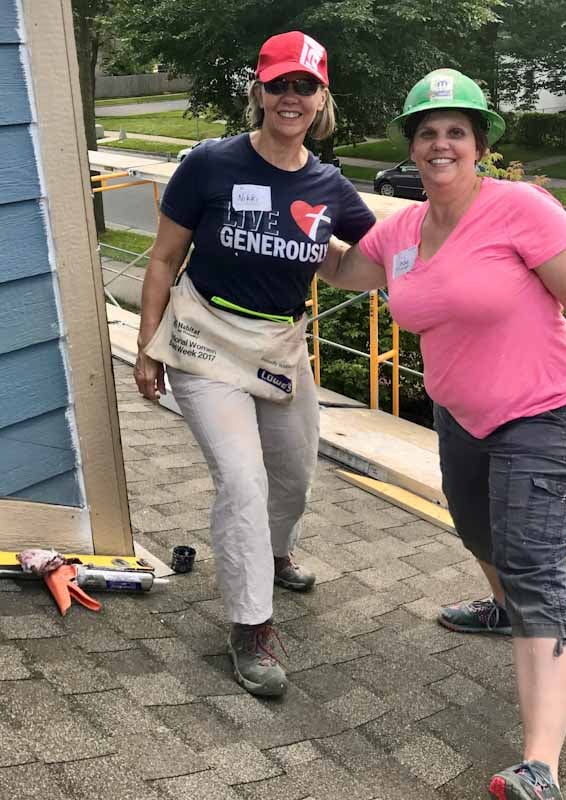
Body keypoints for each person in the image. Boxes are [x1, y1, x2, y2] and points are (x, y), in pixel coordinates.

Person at [319, 68, 566, 799]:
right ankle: (502, 608)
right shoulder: (405, 229)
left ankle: (541, 764)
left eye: (455, 132)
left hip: (543, 415)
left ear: (478, 144)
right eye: (426, 132)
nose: (439, 144)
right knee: (478, 536)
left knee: (534, 568)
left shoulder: (522, 211)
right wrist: (306, 225)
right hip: (461, 418)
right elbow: (351, 273)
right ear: (410, 146)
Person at [134, 31, 375, 698]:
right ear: (258, 92)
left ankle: (271, 556)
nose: (289, 97)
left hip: (279, 350)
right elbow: (161, 259)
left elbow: (373, 254)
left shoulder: (328, 186)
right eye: (278, 84)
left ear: (321, 98)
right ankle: (250, 625)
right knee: (242, 481)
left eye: (304, 86)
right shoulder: (211, 164)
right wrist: (145, 347)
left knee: (293, 479)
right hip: (204, 343)